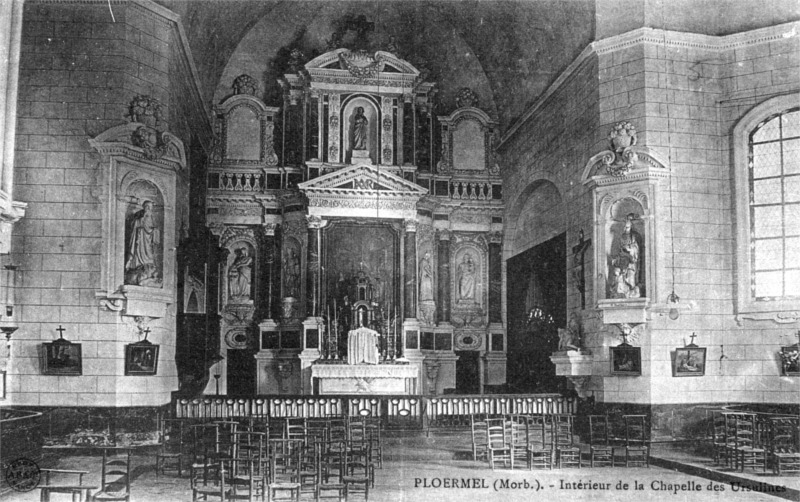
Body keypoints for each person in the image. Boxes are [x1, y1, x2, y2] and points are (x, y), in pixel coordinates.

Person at [125, 200, 160, 286]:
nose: (148, 209)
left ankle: (147, 268)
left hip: (148, 242)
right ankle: (138, 267)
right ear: (144, 207)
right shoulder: (139, 218)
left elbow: (154, 231)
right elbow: (134, 225)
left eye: (150, 207)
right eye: (146, 207)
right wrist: (139, 225)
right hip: (140, 241)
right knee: (137, 253)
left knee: (149, 256)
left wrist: (154, 231)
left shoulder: (152, 219)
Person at [610, 213, 643, 298]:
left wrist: (630, 249)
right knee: (620, 276)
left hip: (631, 260)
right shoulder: (622, 236)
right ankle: (622, 291)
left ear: (631, 227)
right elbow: (620, 248)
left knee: (630, 276)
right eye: (625, 227)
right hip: (622, 260)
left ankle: (631, 291)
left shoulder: (634, 236)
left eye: (628, 227)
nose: (626, 229)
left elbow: (636, 247)